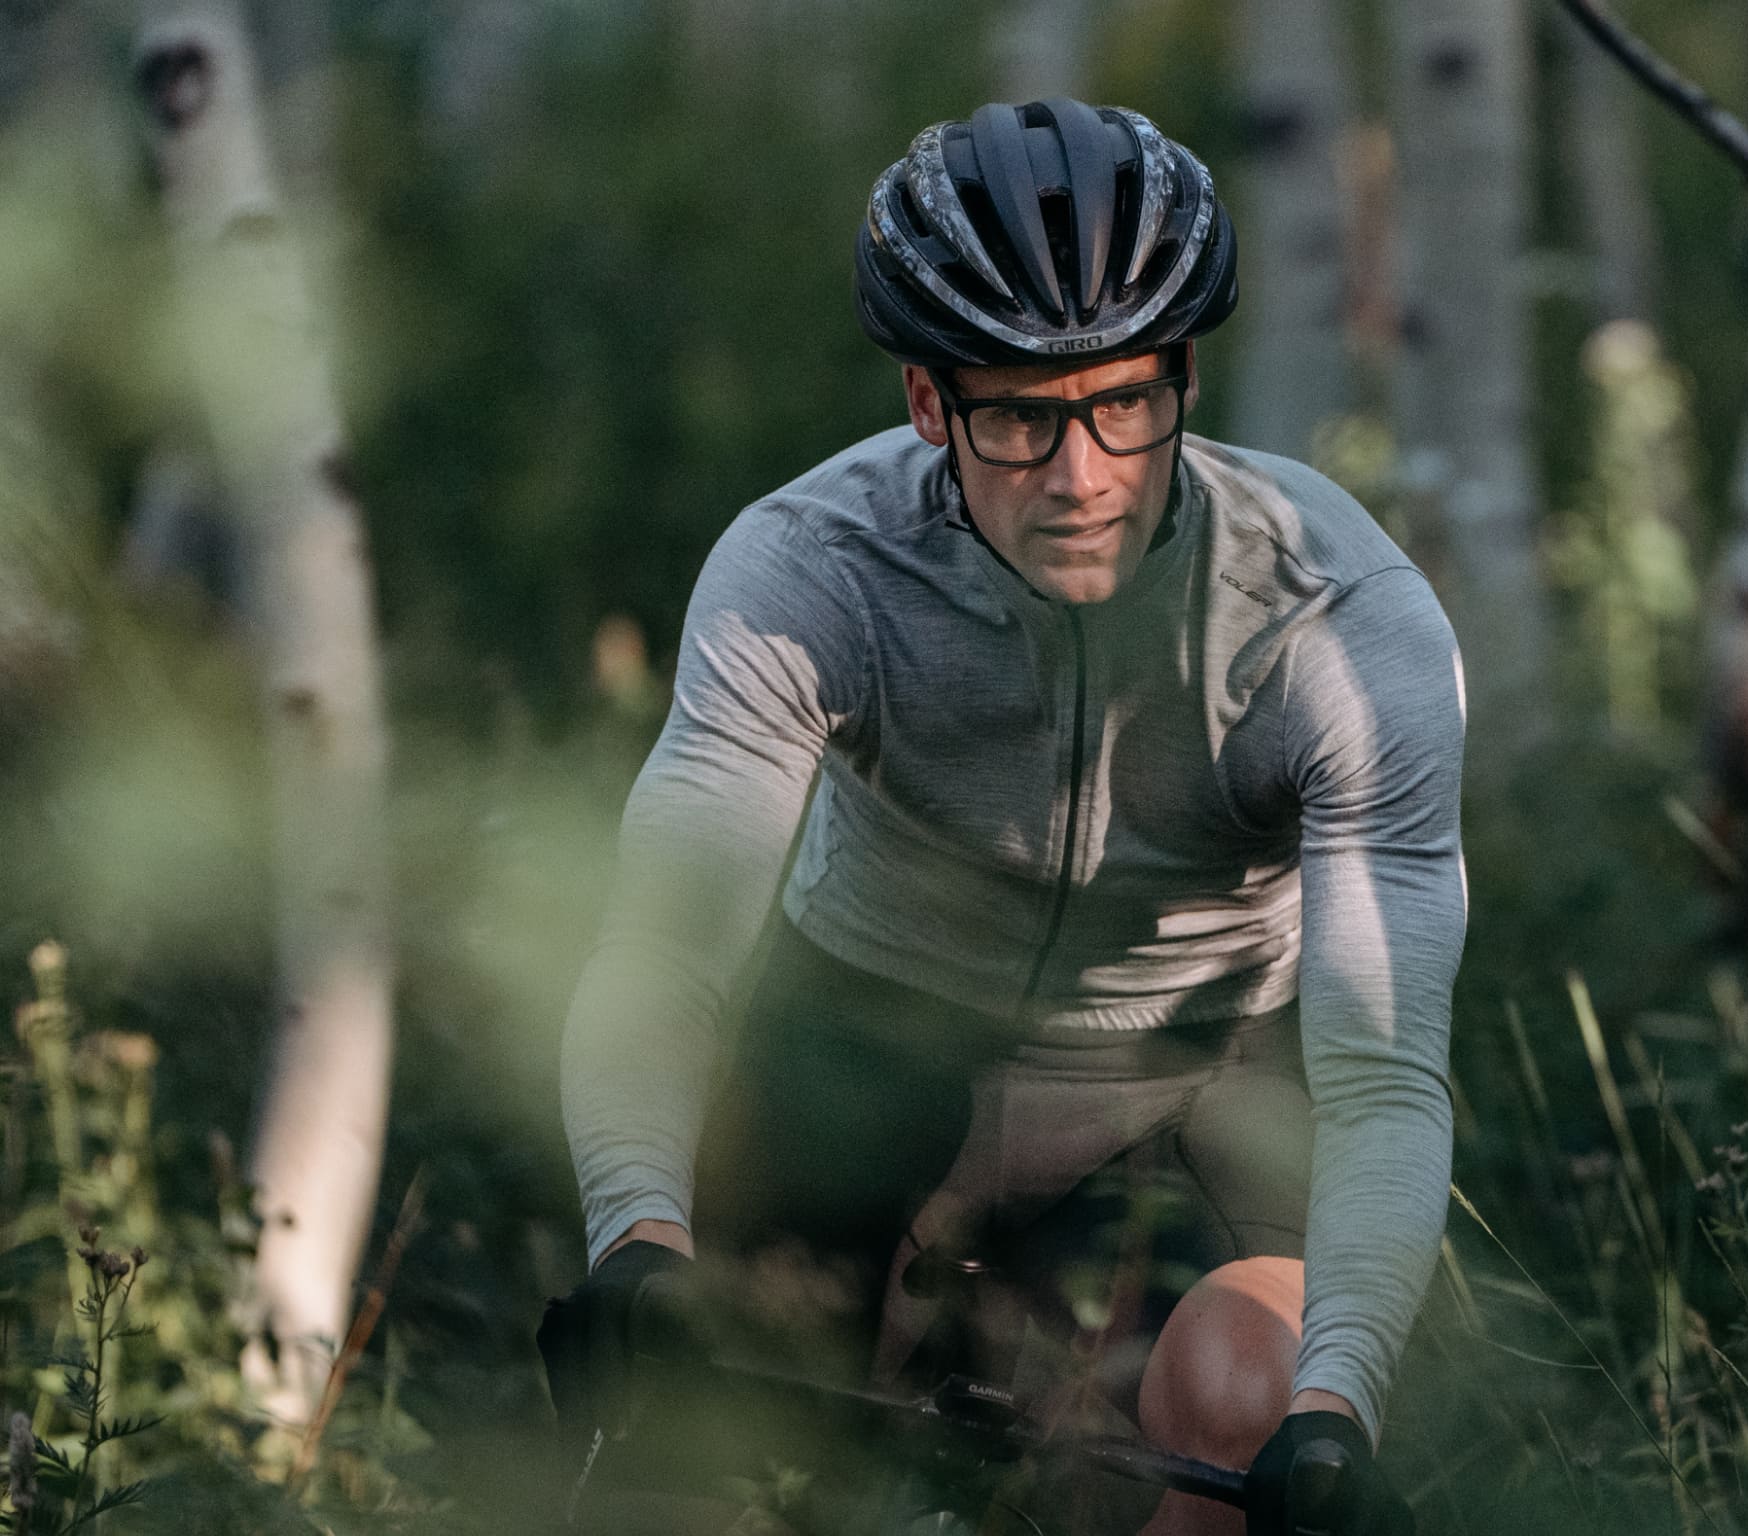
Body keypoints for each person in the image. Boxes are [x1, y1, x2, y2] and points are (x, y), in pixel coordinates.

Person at [539, 97, 1466, 1536]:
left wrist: (1335, 1409)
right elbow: (666, 950)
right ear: (928, 403)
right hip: (861, 1046)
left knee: (1251, 1398)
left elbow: (1384, 1081)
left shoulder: (1338, 625)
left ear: (1185, 377)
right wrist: (639, 1241)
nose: (1082, 477)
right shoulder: (813, 570)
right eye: (1021, 418)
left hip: (1201, 1076)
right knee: (683, 1429)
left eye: (1124, 405)